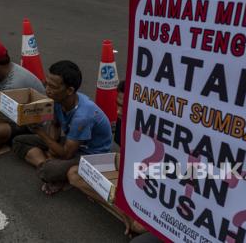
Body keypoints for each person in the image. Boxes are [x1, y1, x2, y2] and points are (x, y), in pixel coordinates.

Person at [12, 60, 113, 195]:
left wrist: (39, 132)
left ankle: (52, 171)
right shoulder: (58, 100)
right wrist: (52, 150)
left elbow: (66, 154)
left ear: (69, 90)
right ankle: (50, 167)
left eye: (52, 87)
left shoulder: (82, 115)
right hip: (70, 143)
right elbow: (55, 124)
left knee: (49, 170)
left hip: (91, 154)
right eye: (46, 83)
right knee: (18, 141)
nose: (47, 90)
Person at [66, 80, 146, 235]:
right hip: (133, 172)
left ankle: (120, 210)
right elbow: (126, 159)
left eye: (124, 107)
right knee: (75, 173)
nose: (118, 112)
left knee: (139, 227)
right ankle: (121, 212)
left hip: (150, 182)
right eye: (118, 104)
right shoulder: (125, 125)